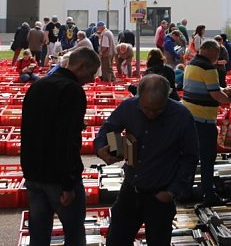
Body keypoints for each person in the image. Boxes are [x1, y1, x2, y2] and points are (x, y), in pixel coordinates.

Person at [96, 75, 199, 245]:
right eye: (146, 109)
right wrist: (103, 149)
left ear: (167, 97)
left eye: (157, 110)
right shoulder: (129, 107)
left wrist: (172, 191)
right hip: (131, 189)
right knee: (116, 240)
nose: (151, 114)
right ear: (139, 96)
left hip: (160, 194)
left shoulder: (181, 116)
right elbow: (109, 128)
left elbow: (190, 157)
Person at [21, 47, 101, 246]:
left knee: (38, 234)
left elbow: (33, 126)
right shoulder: (72, 91)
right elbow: (66, 141)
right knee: (74, 233)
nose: (91, 79)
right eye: (91, 73)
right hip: (57, 177)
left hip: (33, 172)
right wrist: (68, 183)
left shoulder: (39, 85)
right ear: (81, 66)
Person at [182, 39, 231, 205]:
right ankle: (209, 194)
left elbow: (207, 88)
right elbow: (216, 96)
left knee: (191, 156)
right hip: (204, 119)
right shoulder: (209, 68)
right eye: (217, 53)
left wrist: (223, 90)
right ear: (210, 51)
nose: (218, 57)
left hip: (189, 116)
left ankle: (184, 191)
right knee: (208, 158)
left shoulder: (191, 64)